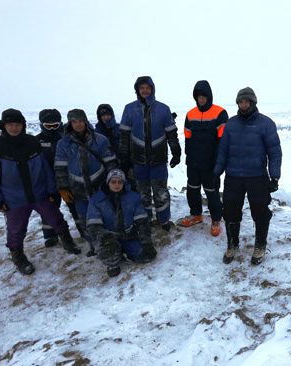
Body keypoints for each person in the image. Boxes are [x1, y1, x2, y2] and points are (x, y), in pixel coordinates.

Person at [0, 108, 81, 275]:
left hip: (39, 193)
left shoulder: (32, 142)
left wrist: (51, 189)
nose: (14, 128)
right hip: (13, 197)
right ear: (3, 126)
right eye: (10, 124)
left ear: (23, 125)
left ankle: (67, 241)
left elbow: (45, 169)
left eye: (17, 124)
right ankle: (18, 255)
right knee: (16, 229)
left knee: (56, 218)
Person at [214, 87, 282, 265]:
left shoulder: (266, 124)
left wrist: (274, 177)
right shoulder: (231, 124)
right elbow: (223, 151)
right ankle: (232, 245)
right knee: (230, 211)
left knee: (260, 212)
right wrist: (216, 173)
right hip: (233, 176)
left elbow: (274, 152)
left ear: (253, 102)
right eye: (240, 102)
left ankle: (260, 245)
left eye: (246, 101)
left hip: (257, 176)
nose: (243, 105)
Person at [118, 76, 181, 231]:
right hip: (138, 161)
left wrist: (176, 152)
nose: (145, 90)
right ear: (137, 90)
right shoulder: (129, 109)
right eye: (142, 88)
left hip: (158, 160)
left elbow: (172, 134)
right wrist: (124, 158)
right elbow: (124, 136)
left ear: (152, 89)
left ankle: (164, 220)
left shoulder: (163, 109)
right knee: (142, 194)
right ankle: (144, 219)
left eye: (148, 88)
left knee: (161, 193)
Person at [55, 109, 118, 256]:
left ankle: (112, 242)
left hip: (100, 186)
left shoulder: (100, 140)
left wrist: (113, 182)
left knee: (106, 215)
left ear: (85, 121)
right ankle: (94, 245)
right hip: (78, 190)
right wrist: (63, 187)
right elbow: (60, 168)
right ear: (70, 123)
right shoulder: (63, 144)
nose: (78, 124)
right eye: (74, 122)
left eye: (80, 121)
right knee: (84, 220)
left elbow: (111, 162)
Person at [177, 80, 228, 236]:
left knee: (211, 191)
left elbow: (222, 140)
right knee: (192, 190)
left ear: (209, 96)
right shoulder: (190, 114)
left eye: (204, 96)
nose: (202, 99)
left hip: (211, 162)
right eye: (199, 96)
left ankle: (216, 220)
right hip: (193, 162)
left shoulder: (220, 113)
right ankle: (196, 215)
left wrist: (217, 162)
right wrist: (188, 157)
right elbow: (188, 137)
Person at [86, 169, 157, 277]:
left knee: (146, 257)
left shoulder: (133, 197)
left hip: (128, 234)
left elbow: (142, 221)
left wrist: (146, 242)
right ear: (108, 182)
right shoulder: (96, 200)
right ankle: (113, 261)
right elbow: (93, 226)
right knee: (109, 253)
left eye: (120, 182)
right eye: (113, 182)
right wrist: (106, 238)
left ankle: (126, 252)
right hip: (108, 238)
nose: (117, 185)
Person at [36, 108, 86, 247]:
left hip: (69, 179)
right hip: (48, 182)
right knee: (50, 210)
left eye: (55, 125)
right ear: (41, 124)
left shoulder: (67, 138)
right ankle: (50, 235)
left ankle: (84, 230)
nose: (52, 129)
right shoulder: (37, 141)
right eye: (48, 126)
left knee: (75, 207)